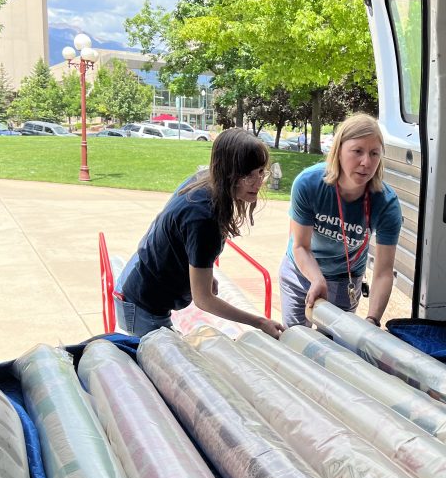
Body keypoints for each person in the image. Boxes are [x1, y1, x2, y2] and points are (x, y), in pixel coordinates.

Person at [115, 128, 285, 338]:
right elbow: (203, 300)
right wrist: (260, 322)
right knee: (163, 358)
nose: (258, 182)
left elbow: (176, 237)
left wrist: (205, 273)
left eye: (260, 171)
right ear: (228, 172)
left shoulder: (205, 180)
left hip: (137, 285)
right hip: (142, 305)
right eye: (248, 175)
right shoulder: (204, 217)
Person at [280, 113, 402, 328]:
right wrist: (317, 279)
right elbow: (300, 246)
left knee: (336, 343)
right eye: (357, 151)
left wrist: (372, 320)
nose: (366, 162)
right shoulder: (308, 184)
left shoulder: (386, 203)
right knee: (296, 338)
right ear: (338, 150)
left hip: (345, 279)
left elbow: (383, 272)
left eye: (374, 153)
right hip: (300, 271)